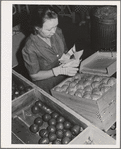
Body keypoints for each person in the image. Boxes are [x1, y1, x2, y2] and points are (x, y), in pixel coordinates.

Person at [22, 6, 80, 94]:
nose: (53, 32)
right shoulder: (30, 48)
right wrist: (57, 71)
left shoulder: (58, 32)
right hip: (47, 84)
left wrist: (70, 60)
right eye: (49, 29)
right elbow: (34, 76)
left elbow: (65, 52)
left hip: (64, 78)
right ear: (37, 27)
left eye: (55, 26)